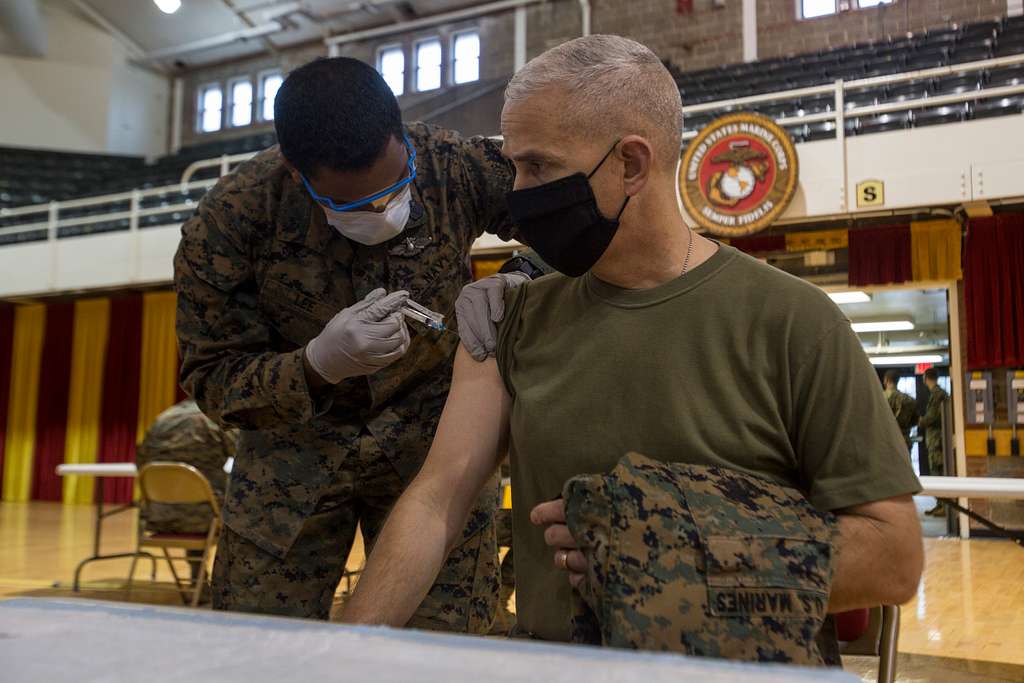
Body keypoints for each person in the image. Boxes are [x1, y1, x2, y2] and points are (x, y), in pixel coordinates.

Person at [341, 35, 924, 654]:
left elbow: (895, 558)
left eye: (538, 166)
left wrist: (688, 558)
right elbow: (435, 503)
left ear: (631, 164)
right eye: (513, 165)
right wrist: (333, 651)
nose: (516, 192)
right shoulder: (512, 320)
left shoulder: (795, 322)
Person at [174, 56, 534, 627]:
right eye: (349, 203)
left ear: (401, 133)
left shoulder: (451, 163)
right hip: (290, 465)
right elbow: (212, 379)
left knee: (448, 649)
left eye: (394, 187)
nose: (380, 210)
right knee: (258, 650)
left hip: (432, 448)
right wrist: (314, 366)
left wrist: (522, 277)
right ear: (297, 173)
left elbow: (572, 219)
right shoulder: (231, 219)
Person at [135, 399, 238, 582]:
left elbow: (141, 462)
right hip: (206, 517)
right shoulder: (214, 419)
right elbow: (244, 455)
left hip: (159, 516)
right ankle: (236, 584)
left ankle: (197, 577)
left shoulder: (162, 420)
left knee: (200, 499)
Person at [919, 367, 950, 515]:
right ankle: (941, 504)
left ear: (925, 378)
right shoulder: (938, 394)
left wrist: (919, 421)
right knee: (936, 472)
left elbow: (931, 417)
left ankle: (945, 506)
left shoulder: (937, 395)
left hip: (937, 440)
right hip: (936, 439)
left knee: (938, 472)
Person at [883, 370, 918, 457]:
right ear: (897, 381)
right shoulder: (909, 400)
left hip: (886, 442)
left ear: (886, 380)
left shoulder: (879, 399)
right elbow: (915, 421)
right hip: (904, 442)